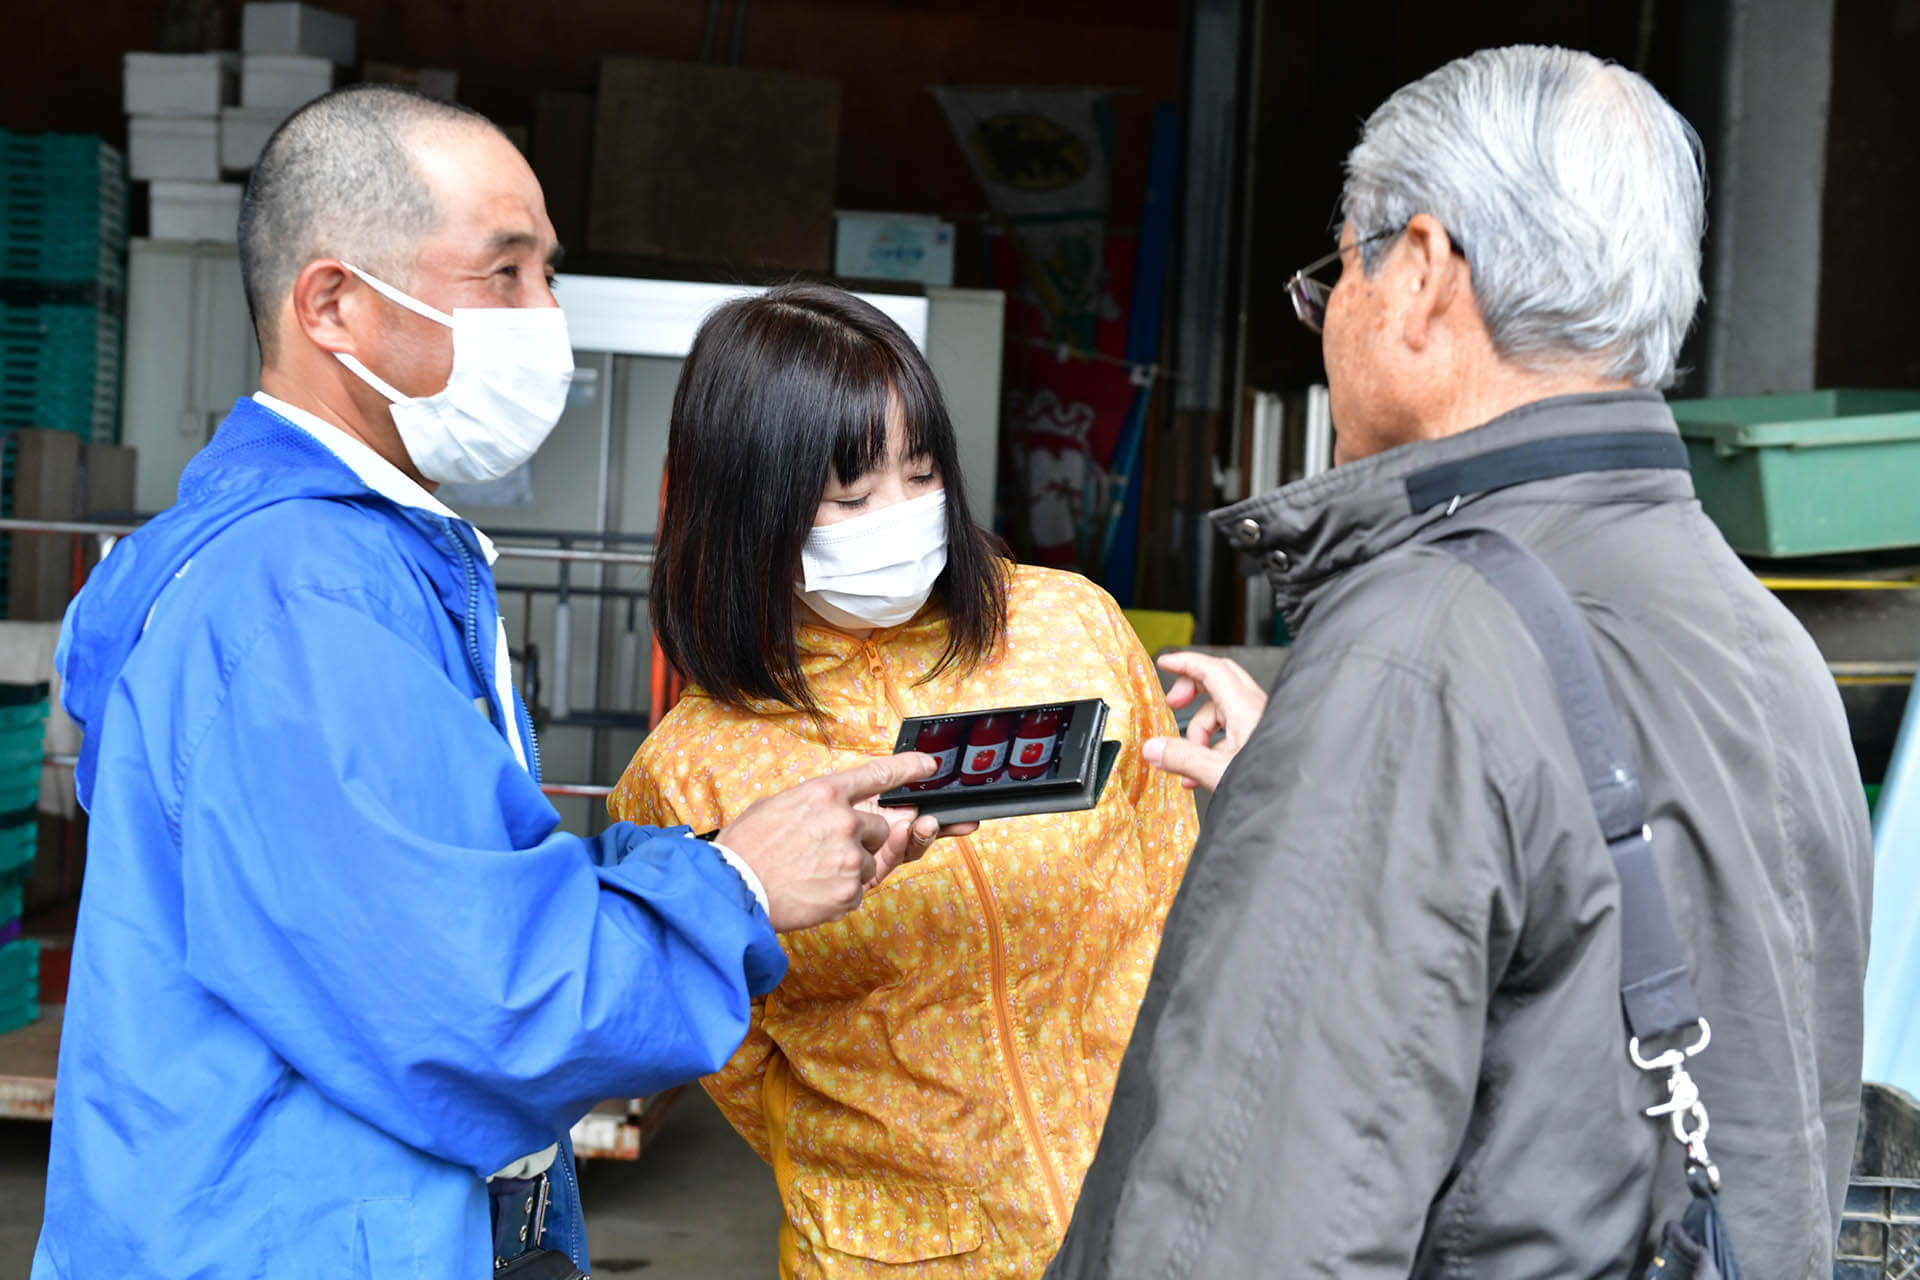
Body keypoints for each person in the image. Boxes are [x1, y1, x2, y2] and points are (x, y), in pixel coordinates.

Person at [33, 87, 953, 1280]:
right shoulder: (295, 599)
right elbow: (471, 999)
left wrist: (709, 861)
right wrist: (732, 885)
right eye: (504, 275)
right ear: (334, 305)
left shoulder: (342, 556)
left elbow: (423, 886)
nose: (546, 318)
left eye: (548, 276)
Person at [1045, 45, 1872, 1279]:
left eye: (1336, 268)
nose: (1326, 315)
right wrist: (1332, 804)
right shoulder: (1763, 637)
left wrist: (1359, 773)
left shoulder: (1416, 652)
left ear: (1422, 272)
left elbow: (1248, 1233)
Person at [606, 284, 1197, 1278]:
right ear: (752, 501)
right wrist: (882, 1187)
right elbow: (736, 1061)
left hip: (1146, 1218)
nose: (901, 516)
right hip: (897, 1255)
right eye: (850, 495)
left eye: (921, 474)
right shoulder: (690, 769)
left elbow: (1179, 893)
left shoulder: (1073, 628)